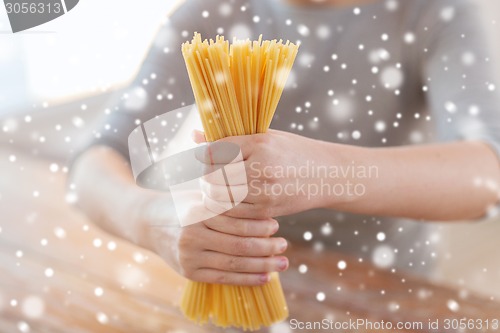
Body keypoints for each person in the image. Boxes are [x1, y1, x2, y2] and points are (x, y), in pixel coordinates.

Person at [71, 0, 500, 286]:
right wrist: (153, 220)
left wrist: (325, 174)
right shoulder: (209, 11)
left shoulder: (432, 11)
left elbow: (488, 173)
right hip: (235, 287)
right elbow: (94, 162)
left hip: (383, 290)